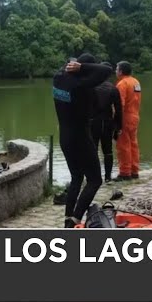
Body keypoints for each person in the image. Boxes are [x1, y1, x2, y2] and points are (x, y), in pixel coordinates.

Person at [53, 53, 113, 228]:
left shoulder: (58, 79)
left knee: (76, 178)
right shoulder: (82, 85)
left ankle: (68, 221)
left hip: (65, 136)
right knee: (95, 180)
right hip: (81, 136)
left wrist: (76, 64)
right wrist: (83, 68)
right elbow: (107, 70)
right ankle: (76, 218)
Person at [90, 62, 122, 183]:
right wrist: (118, 126)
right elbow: (119, 110)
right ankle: (107, 177)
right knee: (107, 150)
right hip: (108, 122)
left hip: (93, 122)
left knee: (93, 149)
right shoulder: (113, 88)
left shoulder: (92, 86)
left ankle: (93, 176)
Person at [114, 61, 142, 181]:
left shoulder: (122, 84)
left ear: (121, 71)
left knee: (123, 145)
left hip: (125, 117)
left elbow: (119, 104)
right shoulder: (136, 82)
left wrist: (116, 121)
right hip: (135, 116)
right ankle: (134, 171)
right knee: (133, 144)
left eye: (116, 69)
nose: (115, 71)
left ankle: (125, 172)